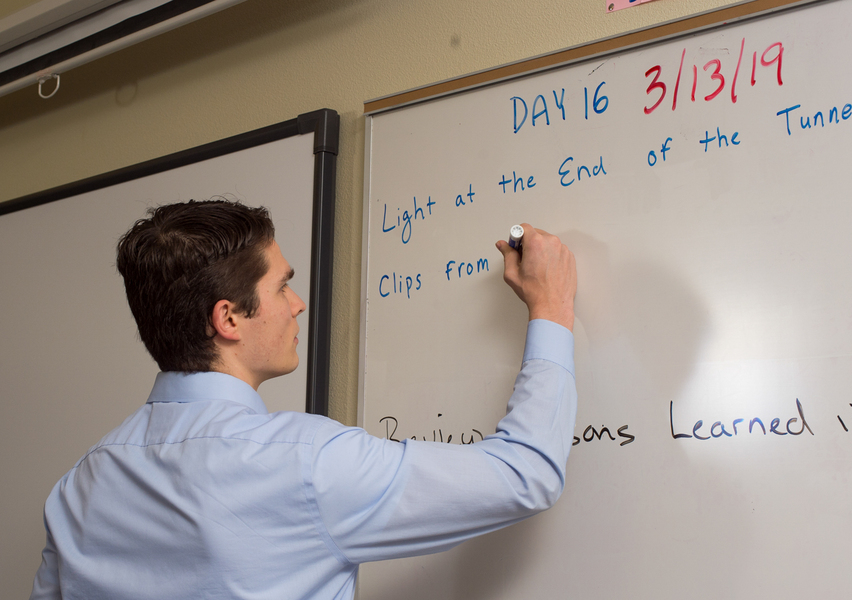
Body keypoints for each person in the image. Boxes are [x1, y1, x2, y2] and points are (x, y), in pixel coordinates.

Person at [29, 199, 577, 600]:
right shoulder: (307, 465)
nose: (299, 304)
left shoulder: (82, 483)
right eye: (281, 286)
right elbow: (526, 473)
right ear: (228, 319)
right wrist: (550, 308)